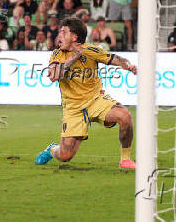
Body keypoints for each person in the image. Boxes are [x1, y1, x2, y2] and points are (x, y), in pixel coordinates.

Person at [34, 18, 137, 169]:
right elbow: (54, 75)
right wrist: (74, 56)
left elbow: (114, 58)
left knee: (124, 116)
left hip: (96, 100)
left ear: (74, 37)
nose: (59, 35)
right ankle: (51, 149)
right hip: (73, 109)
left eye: (64, 32)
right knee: (65, 156)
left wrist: (128, 66)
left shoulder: (90, 50)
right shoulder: (57, 54)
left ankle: (125, 160)